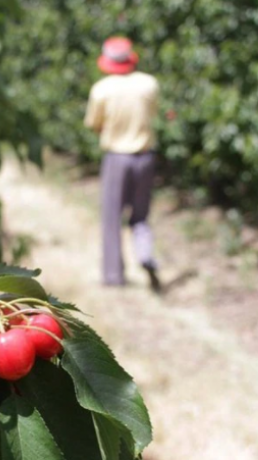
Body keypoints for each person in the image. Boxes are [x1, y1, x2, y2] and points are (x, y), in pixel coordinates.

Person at [84, 36, 161, 292]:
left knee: (111, 217)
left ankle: (114, 275)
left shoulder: (102, 89)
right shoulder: (149, 84)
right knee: (140, 216)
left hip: (117, 157)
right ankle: (145, 254)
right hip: (146, 156)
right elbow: (153, 115)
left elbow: (94, 124)